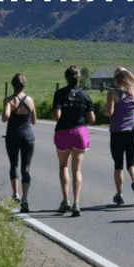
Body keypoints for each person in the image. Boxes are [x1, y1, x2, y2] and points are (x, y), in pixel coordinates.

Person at [53, 65, 95, 217]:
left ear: (66, 78)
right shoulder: (85, 95)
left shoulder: (59, 93)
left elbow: (57, 115)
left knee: (63, 166)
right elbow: (92, 119)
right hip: (80, 132)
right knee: (76, 170)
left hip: (63, 131)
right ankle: (77, 202)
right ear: (78, 78)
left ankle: (65, 200)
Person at [103, 68, 134, 205]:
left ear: (116, 79)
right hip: (132, 132)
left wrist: (104, 112)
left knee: (118, 165)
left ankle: (119, 194)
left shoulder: (113, 93)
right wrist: (130, 111)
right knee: (131, 163)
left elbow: (110, 112)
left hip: (117, 132)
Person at [2, 73, 37, 213]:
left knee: (14, 165)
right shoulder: (30, 100)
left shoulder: (8, 100)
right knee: (26, 168)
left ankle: (15, 193)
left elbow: (5, 117)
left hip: (12, 136)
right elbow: (34, 121)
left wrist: (9, 109)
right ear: (24, 85)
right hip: (28, 137)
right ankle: (25, 198)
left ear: (12, 84)